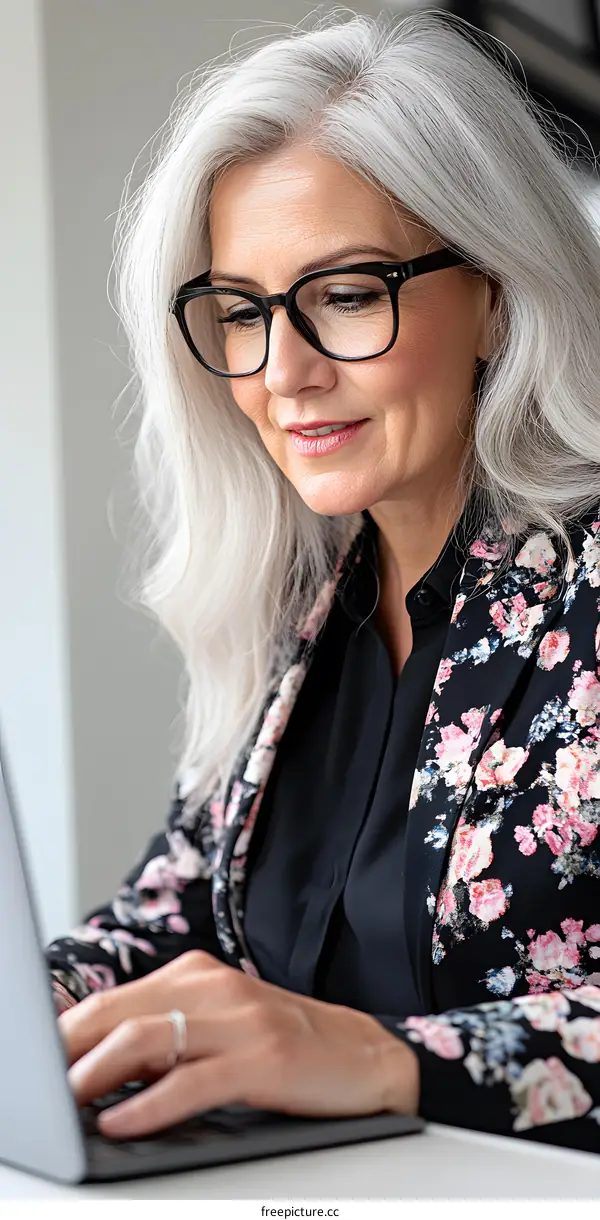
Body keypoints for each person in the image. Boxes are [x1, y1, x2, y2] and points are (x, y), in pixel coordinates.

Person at [46, 8, 600, 1152]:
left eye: (346, 295)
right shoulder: (305, 598)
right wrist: (39, 1011)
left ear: (496, 290)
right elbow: (168, 921)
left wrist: (380, 1055)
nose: (280, 372)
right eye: (241, 312)